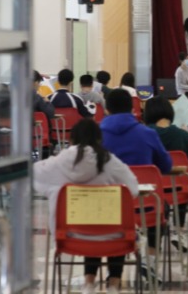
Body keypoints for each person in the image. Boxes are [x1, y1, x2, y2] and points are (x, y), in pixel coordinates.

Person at [33, 119, 138, 294]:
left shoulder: (59, 162)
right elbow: (133, 189)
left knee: (87, 221)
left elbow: (34, 174)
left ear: (71, 139)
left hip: (69, 236)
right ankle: (114, 284)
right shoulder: (110, 161)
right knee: (108, 220)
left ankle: (89, 284)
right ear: (99, 139)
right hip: (114, 237)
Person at [99, 89, 172, 281]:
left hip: (105, 205)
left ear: (106, 109)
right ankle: (150, 260)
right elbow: (166, 166)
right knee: (161, 208)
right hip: (143, 206)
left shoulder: (96, 135)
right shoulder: (148, 133)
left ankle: (113, 276)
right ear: (132, 108)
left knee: (117, 221)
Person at [144, 96, 188, 251]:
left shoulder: (143, 133)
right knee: (181, 183)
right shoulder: (180, 134)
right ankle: (179, 231)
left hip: (150, 191)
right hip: (177, 190)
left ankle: (151, 241)